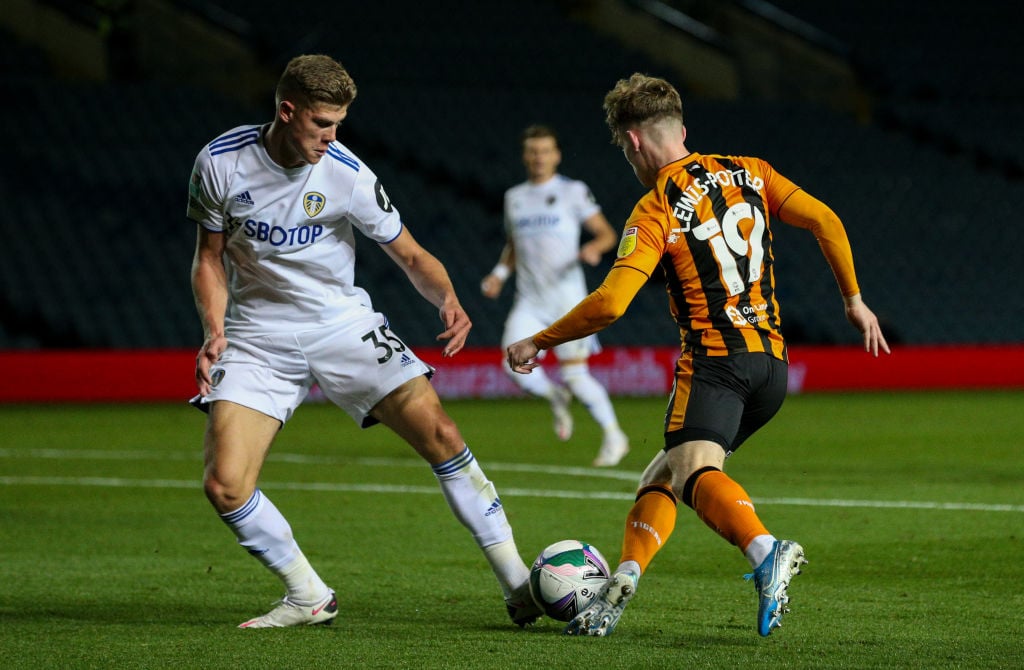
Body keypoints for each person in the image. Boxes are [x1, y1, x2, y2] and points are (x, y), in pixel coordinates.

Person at [507, 73, 890, 638]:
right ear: (682, 130)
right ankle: (624, 579)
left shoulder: (655, 206)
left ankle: (766, 550)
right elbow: (826, 221)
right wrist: (855, 303)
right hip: (772, 366)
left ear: (633, 142)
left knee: (692, 473)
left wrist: (538, 340)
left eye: (625, 151)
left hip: (716, 364)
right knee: (661, 473)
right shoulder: (753, 172)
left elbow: (611, 303)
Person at [187, 54, 541, 629]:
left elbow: (411, 255)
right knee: (225, 485)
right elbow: (208, 259)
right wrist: (215, 329)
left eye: (339, 125)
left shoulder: (347, 173)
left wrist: (448, 299)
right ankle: (307, 594)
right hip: (257, 337)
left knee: (443, 434)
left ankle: (518, 585)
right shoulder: (220, 163)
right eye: (322, 124)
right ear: (287, 110)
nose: (332, 137)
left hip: (340, 324)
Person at [481, 125, 629, 467]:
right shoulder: (514, 197)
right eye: (533, 151)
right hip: (530, 301)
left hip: (567, 300)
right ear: (524, 156)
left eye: (545, 150)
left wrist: (594, 248)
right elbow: (514, 245)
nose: (538, 157)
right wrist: (499, 274)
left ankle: (614, 436)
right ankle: (554, 395)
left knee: (576, 374)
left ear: (557, 155)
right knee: (511, 364)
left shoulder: (573, 191)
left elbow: (607, 234)